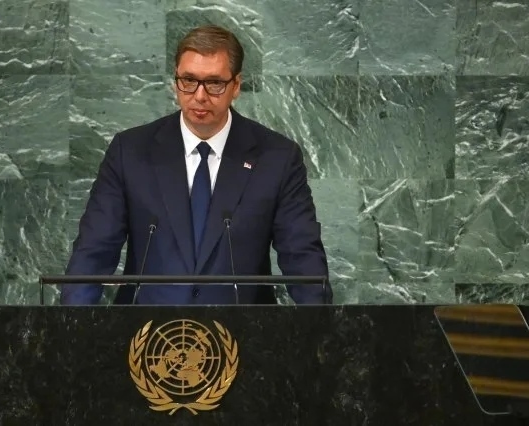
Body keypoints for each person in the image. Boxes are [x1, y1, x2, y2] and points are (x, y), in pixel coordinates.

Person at [60, 24, 331, 305]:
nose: (199, 96)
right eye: (188, 80)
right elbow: (93, 253)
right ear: (175, 80)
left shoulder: (276, 158)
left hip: (245, 328)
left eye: (214, 83)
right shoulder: (130, 152)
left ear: (236, 85)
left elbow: (302, 258)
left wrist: (322, 325)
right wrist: (71, 325)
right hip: (147, 329)